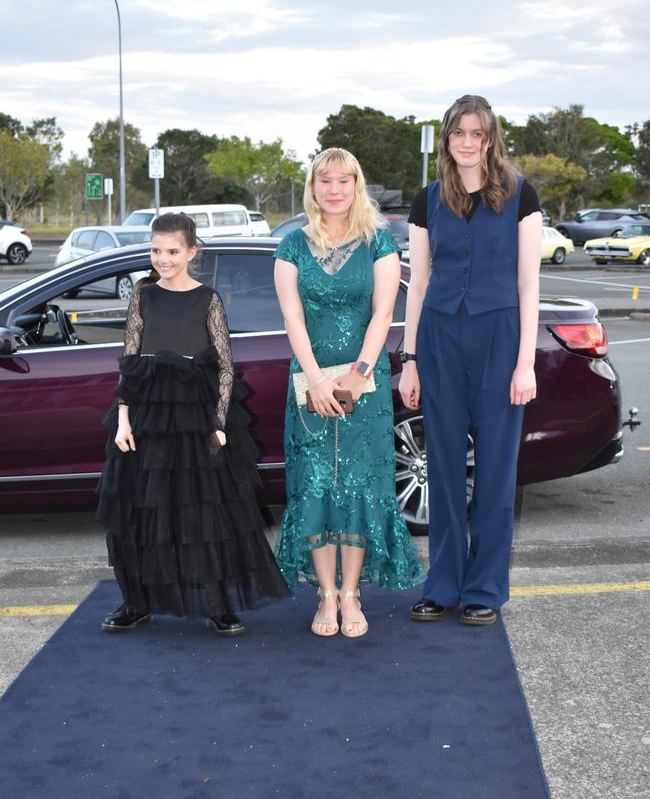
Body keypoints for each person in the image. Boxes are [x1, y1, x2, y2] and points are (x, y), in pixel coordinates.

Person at [97, 212, 289, 634]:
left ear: (191, 252)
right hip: (146, 414)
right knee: (143, 510)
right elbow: (130, 363)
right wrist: (123, 420)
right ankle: (138, 602)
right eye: (155, 250)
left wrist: (219, 423)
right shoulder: (143, 297)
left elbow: (224, 367)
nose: (162, 259)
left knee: (205, 512)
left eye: (171, 251)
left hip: (197, 414)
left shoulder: (208, 299)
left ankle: (218, 605)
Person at [399, 95, 542, 626]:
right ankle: (442, 584)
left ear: (490, 139)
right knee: (441, 466)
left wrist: (525, 361)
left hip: (500, 339)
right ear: (447, 139)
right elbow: (418, 286)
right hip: (439, 338)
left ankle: (484, 588)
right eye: (458, 133)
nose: (466, 142)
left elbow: (530, 283)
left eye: (476, 133)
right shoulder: (427, 199)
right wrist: (410, 359)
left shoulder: (521, 195)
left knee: (497, 471)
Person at [274, 148, 424, 638]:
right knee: (316, 485)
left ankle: (352, 594)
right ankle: (324, 594)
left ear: (356, 186)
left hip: (366, 382)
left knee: (358, 488)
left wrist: (359, 373)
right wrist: (317, 379)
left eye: (343, 180)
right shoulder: (292, 245)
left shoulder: (378, 242)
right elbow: (292, 318)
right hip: (309, 381)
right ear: (312, 188)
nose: (334, 189)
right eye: (325, 181)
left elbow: (383, 314)